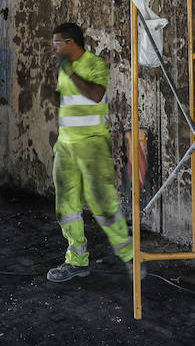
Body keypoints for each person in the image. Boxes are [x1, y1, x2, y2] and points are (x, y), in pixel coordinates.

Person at [45, 22, 140, 282]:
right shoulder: (64, 70)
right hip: (66, 147)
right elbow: (68, 100)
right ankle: (76, 261)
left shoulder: (95, 64)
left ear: (70, 43)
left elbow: (96, 94)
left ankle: (131, 256)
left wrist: (71, 73)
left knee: (103, 204)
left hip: (93, 145)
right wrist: (52, 96)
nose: (54, 48)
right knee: (67, 207)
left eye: (57, 43)